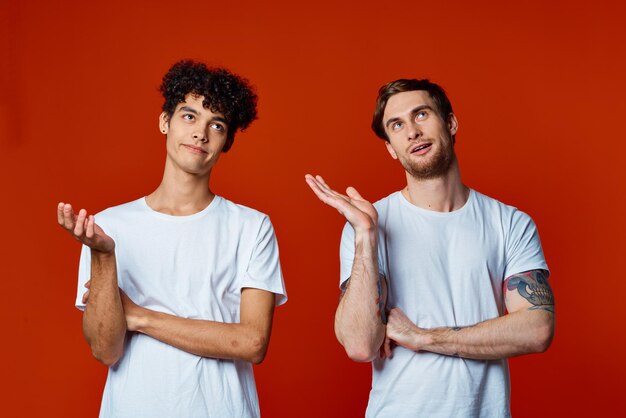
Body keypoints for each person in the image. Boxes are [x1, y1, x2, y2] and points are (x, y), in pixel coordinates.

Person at [305, 79, 554, 417]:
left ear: (450, 123)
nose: (412, 132)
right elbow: (360, 344)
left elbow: (537, 329)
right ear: (391, 147)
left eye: (421, 115)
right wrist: (365, 236)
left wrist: (423, 337)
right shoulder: (370, 225)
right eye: (397, 125)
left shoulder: (510, 222)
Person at [57, 60, 287, 417]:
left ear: (226, 142)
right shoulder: (108, 227)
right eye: (189, 116)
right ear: (165, 122)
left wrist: (138, 316)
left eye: (217, 124)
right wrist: (104, 256)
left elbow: (251, 342)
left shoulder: (252, 227)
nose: (200, 133)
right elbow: (105, 349)